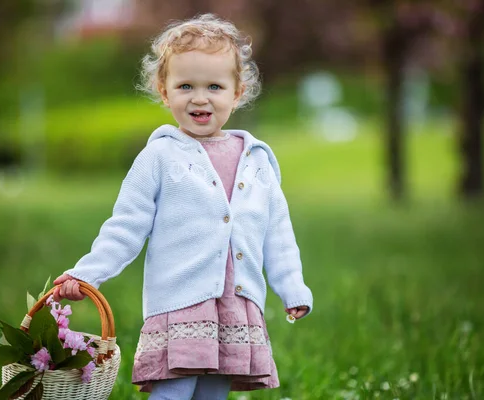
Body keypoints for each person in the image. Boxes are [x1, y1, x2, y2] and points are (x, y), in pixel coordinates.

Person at [52, 13, 313, 400]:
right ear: (164, 91)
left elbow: (277, 231)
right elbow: (125, 226)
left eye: (215, 86)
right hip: (181, 305)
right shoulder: (159, 156)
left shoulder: (256, 160)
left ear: (237, 92)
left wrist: (293, 288)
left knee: (212, 393)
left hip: (235, 307)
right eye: (185, 85)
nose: (200, 97)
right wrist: (88, 274)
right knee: (173, 391)